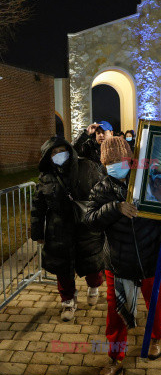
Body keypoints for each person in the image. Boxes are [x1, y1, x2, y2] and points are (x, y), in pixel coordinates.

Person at [85, 137, 161, 375]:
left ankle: (156, 337)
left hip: (152, 255)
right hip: (119, 260)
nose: (114, 165)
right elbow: (89, 219)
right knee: (116, 312)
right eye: (109, 162)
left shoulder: (149, 182)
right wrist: (115, 208)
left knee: (156, 302)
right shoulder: (101, 188)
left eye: (119, 160)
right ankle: (115, 356)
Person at [31, 137, 105, 321]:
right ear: (48, 156)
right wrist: (38, 232)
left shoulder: (86, 167)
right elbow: (38, 206)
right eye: (53, 153)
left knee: (92, 263)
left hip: (86, 225)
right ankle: (68, 302)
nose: (58, 155)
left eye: (61, 150)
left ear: (69, 150)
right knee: (63, 269)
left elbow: (102, 192)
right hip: (59, 230)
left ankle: (94, 287)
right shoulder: (46, 176)